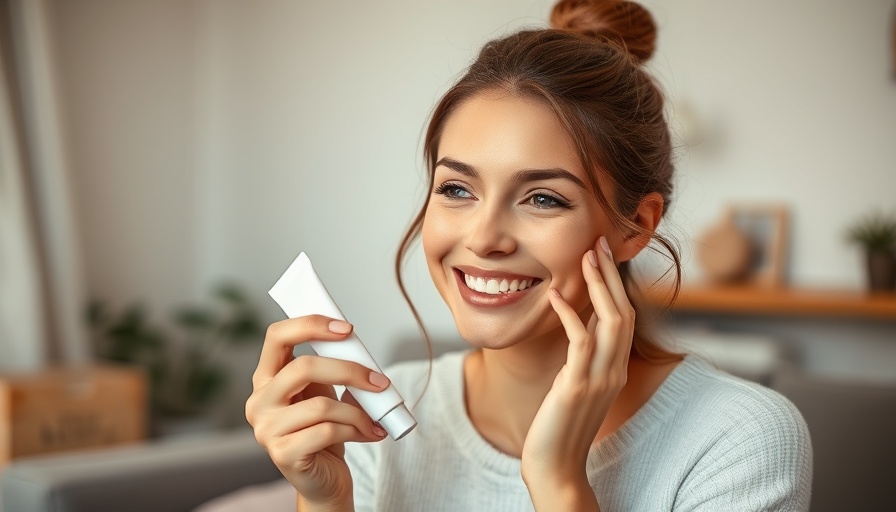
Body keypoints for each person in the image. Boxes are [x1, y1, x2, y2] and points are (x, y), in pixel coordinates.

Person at [242, 0, 813, 511]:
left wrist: (559, 482)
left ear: (635, 227)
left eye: (543, 198)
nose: (485, 238)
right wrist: (325, 502)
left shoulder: (739, 440)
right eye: (457, 189)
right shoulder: (377, 419)